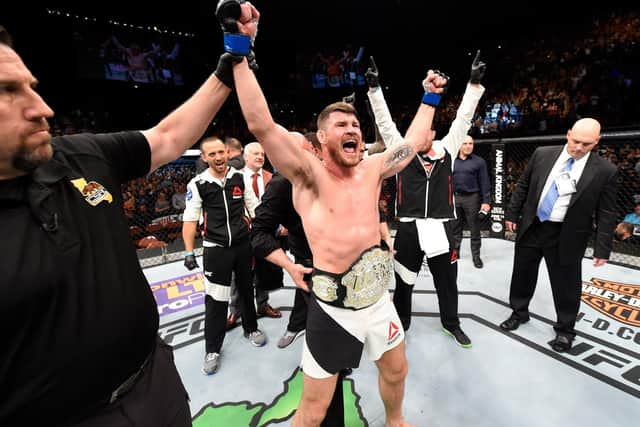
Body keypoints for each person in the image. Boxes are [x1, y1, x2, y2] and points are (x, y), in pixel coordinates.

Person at [0, 22, 243, 426]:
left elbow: (167, 137)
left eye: (31, 86)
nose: (42, 108)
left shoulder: (81, 155)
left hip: (156, 383)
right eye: (8, 90)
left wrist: (229, 61)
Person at [221, 4, 448, 424]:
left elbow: (414, 142)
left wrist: (430, 95)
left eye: (356, 125)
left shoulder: (373, 168)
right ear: (322, 137)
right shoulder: (306, 176)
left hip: (378, 298)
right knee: (314, 408)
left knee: (397, 370)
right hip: (332, 304)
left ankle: (395, 419)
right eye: (341, 125)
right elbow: (261, 125)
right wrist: (237, 49)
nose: (353, 130)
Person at [367, 51, 486, 348]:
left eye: (427, 130)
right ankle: (402, 323)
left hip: (443, 227)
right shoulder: (401, 152)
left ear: (432, 131)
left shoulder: (448, 148)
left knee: (447, 281)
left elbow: (464, 118)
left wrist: (473, 84)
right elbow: (384, 123)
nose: (422, 135)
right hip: (408, 228)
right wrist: (373, 89)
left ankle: (451, 323)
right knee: (404, 282)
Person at [499, 118, 618, 353]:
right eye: (576, 141)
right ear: (568, 134)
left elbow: (607, 212)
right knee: (522, 273)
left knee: (566, 285)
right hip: (533, 225)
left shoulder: (606, 171)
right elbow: (523, 185)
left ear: (597, 142)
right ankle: (519, 312)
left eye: (586, 144)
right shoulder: (542, 153)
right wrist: (511, 214)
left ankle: (565, 330)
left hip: (567, 234)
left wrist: (602, 248)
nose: (579, 148)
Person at [181, 136, 265, 375]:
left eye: (221, 152)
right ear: (204, 157)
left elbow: (254, 206)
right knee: (216, 300)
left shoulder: (240, 178)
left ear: (228, 153)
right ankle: (212, 348)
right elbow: (189, 219)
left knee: (247, 289)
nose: (218, 158)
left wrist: (264, 231)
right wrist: (189, 252)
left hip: (242, 245)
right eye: (212, 154)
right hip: (215, 249)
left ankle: (252, 328)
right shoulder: (197, 184)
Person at [227, 141, 283, 329]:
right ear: (246, 157)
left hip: (266, 231)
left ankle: (262, 304)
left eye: (262, 154)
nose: (260, 157)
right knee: (238, 272)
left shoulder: (271, 177)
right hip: (242, 233)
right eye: (256, 154)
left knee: (263, 269)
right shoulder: (235, 177)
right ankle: (234, 310)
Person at [451, 134, 491, 268]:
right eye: (465, 143)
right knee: (455, 228)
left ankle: (476, 256)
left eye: (471, 144)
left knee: (475, 229)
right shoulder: (451, 160)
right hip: (455, 197)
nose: (468, 146)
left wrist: (486, 201)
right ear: (459, 145)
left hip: (472, 198)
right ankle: (455, 253)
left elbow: (484, 182)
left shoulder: (479, 162)